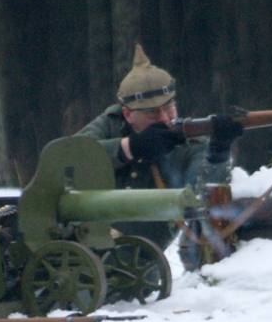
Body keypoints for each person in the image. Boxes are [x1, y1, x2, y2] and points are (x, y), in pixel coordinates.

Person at [75, 45, 243, 253]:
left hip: (142, 267)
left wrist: (219, 153)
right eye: (152, 113)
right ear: (127, 114)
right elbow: (67, 161)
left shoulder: (192, 144)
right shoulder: (110, 124)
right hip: (78, 251)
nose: (164, 119)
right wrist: (130, 147)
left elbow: (199, 198)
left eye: (169, 107)